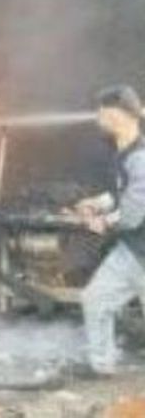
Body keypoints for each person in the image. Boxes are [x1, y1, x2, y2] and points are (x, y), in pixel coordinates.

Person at [71, 85, 145, 377]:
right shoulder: (123, 152)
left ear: (118, 115)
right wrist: (98, 203)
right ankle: (101, 366)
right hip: (133, 251)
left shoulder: (140, 157)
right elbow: (123, 193)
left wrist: (103, 222)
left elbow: (134, 213)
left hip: (139, 246)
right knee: (96, 299)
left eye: (102, 111)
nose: (97, 117)